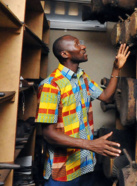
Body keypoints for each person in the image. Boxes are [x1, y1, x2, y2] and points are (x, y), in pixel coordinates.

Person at [35, 35, 130, 185]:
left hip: (85, 164)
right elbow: (48, 134)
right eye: (77, 44)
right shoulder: (50, 86)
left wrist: (116, 68)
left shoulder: (82, 77)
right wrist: (91, 145)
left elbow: (106, 97)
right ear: (65, 54)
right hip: (63, 172)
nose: (83, 46)